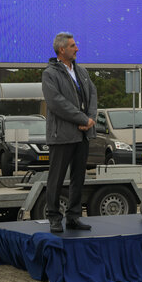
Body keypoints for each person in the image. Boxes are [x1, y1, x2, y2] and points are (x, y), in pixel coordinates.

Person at [42, 32, 97, 232]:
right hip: (62, 136)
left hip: (82, 135)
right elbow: (56, 102)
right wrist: (82, 119)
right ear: (62, 49)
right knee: (56, 179)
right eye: (73, 45)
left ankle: (73, 216)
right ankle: (54, 217)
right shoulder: (50, 73)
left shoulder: (82, 71)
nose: (77, 49)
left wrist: (90, 119)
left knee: (78, 177)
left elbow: (92, 95)